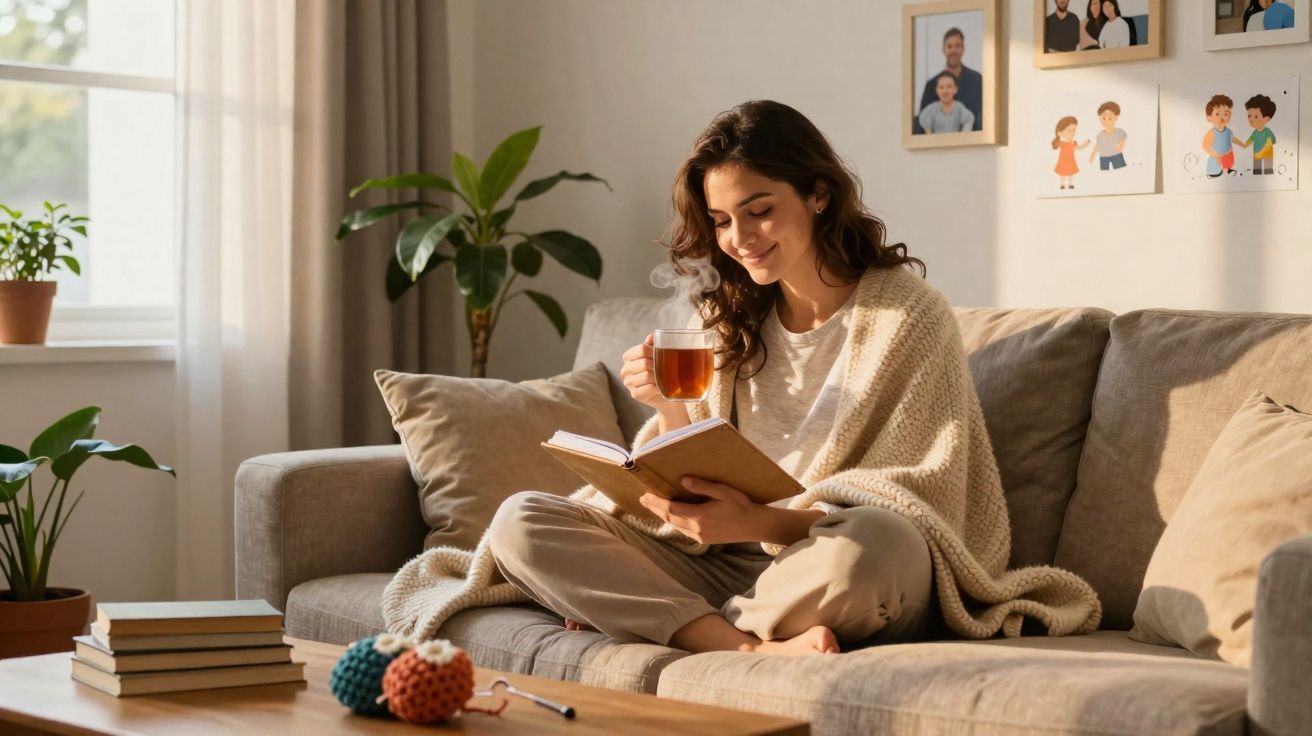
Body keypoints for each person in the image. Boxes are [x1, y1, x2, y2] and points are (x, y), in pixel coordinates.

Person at [481, 100, 1090, 656]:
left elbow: (920, 502)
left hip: (821, 560)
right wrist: (669, 410)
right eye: (721, 221)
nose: (739, 240)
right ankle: (743, 644)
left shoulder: (908, 315)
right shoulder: (726, 317)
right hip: (715, 560)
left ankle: (665, 619)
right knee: (521, 520)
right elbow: (686, 480)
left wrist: (756, 522)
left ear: (818, 194)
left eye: (760, 211)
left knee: (880, 542)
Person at [913, 28, 982, 134]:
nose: (953, 50)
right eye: (949, 46)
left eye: (957, 46)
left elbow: (983, 117)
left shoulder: (977, 80)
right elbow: (921, 127)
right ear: (943, 50)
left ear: (963, 49)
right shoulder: (931, 85)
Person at [1235, 94, 1277, 175]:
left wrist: (1260, 153)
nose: (1251, 119)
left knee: (1268, 172)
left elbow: (1269, 144)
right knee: (1256, 172)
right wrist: (1242, 144)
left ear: (1266, 119)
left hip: (1267, 155)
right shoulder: (1255, 132)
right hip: (1256, 155)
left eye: (1256, 116)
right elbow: (1249, 141)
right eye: (1249, 116)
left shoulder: (1267, 132)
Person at [1202, 94, 1237, 177]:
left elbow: (1232, 139)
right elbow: (1205, 145)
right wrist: (1215, 154)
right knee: (1215, 167)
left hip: (1227, 155)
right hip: (1216, 157)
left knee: (1228, 159)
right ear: (1209, 117)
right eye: (1217, 114)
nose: (1222, 118)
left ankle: (1227, 169)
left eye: (1225, 114)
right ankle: (1214, 173)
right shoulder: (1212, 133)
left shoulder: (1228, 131)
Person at [1053, 116, 1090, 190]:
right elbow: (1055, 146)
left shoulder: (1073, 143)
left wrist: (1086, 143)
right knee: (1062, 172)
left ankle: (1070, 184)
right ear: (1059, 133)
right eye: (1069, 130)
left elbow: (1078, 147)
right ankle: (1062, 184)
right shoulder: (1061, 142)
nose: (1072, 133)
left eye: (1074, 130)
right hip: (1063, 160)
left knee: (1071, 172)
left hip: (1071, 161)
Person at [1088, 101, 1128, 170]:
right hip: (1104, 157)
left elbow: (1123, 141)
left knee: (1120, 170)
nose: (1106, 121)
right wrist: (1092, 155)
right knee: (1105, 172)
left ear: (1116, 118)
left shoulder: (1119, 132)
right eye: (1103, 118)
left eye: (1110, 118)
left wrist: (1120, 146)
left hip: (1116, 155)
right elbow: (1097, 145)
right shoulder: (1100, 135)